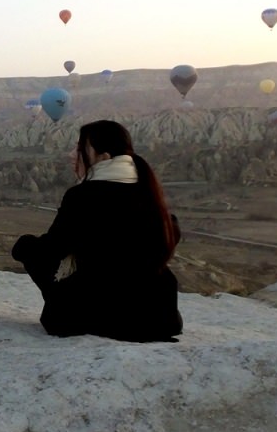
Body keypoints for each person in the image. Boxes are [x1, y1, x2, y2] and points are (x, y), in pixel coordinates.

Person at [11, 120, 183, 342]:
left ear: (104, 157)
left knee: (30, 248)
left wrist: (23, 247)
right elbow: (171, 231)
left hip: (98, 315)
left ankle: (65, 306)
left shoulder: (83, 196)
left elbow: (52, 249)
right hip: (158, 317)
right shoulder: (147, 189)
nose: (73, 155)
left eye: (81, 148)